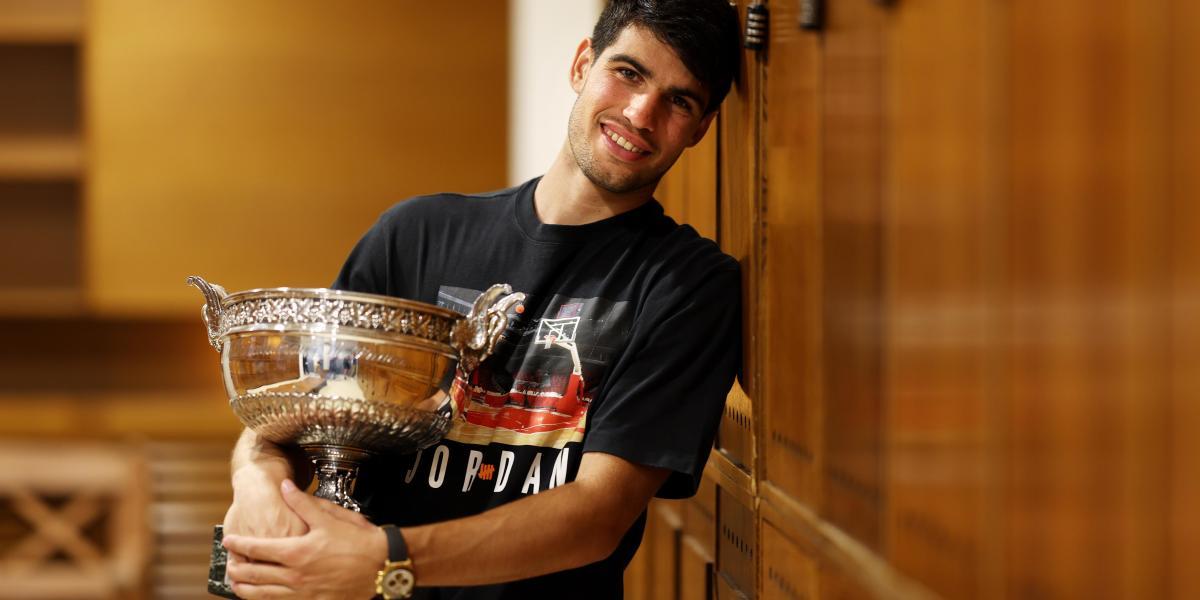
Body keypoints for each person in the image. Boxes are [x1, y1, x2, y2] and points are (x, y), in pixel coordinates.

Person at [219, 1, 743, 598]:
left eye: (680, 101)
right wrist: (257, 482)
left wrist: (386, 560)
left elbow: (599, 513)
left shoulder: (689, 286)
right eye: (628, 73)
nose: (640, 113)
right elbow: (298, 413)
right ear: (582, 65)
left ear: (700, 128)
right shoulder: (415, 234)